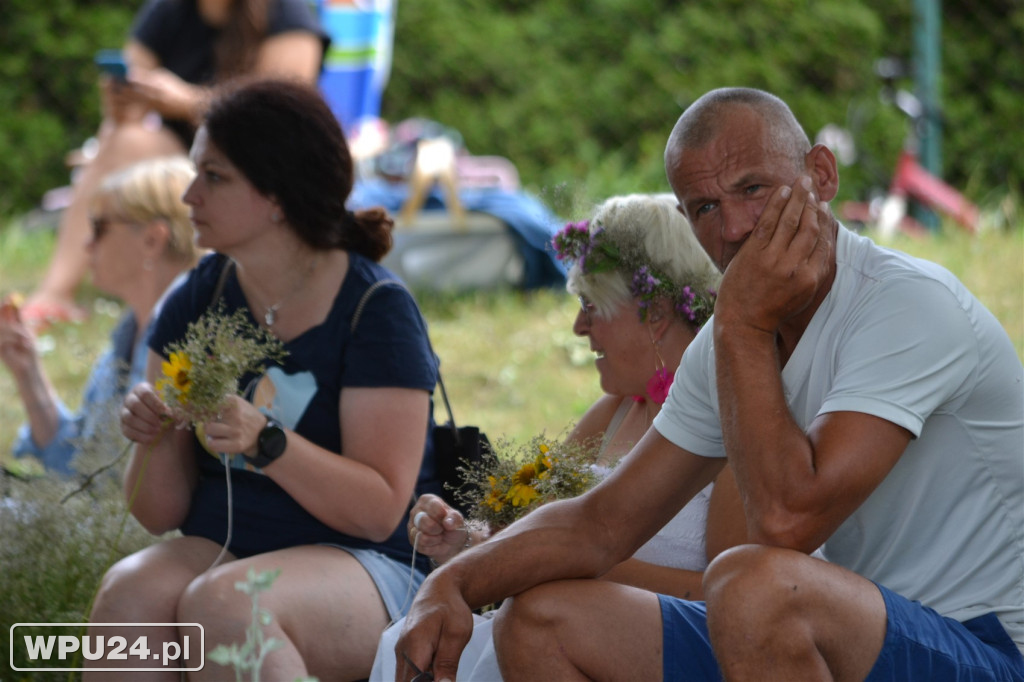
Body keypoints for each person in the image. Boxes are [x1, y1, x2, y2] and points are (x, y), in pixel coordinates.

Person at [395, 87, 1024, 682]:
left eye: (754, 188)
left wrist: (746, 326)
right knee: (541, 621)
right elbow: (601, 524)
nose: (735, 228)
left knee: (756, 585)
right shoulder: (734, 331)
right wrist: (449, 585)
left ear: (822, 175)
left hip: (988, 646)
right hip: (857, 631)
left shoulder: (905, 303)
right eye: (705, 208)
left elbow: (786, 522)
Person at [87, 79, 439, 681]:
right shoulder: (197, 296)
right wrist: (152, 437)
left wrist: (265, 440)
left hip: (369, 566)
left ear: (276, 195)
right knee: (129, 596)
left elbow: (381, 511)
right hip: (229, 546)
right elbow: (157, 510)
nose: (190, 194)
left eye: (214, 177)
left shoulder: (374, 309)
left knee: (227, 607)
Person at [370, 193, 745, 680]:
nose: (577, 326)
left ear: (654, 312)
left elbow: (734, 599)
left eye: (592, 305)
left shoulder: (730, 419)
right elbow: (533, 528)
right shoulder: (614, 411)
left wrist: (564, 560)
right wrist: (468, 541)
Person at [22, 0, 328, 330]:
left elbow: (281, 116)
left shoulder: (285, 12)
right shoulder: (168, 10)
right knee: (122, 139)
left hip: (258, 164)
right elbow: (127, 116)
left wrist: (189, 102)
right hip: (182, 160)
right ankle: (56, 293)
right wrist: (124, 101)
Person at [0, 156, 200, 476]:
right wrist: (28, 373)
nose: (86, 243)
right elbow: (77, 465)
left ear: (153, 239)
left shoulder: (188, 343)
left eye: (99, 227)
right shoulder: (130, 332)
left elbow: (111, 487)